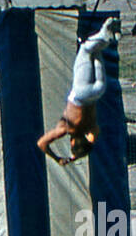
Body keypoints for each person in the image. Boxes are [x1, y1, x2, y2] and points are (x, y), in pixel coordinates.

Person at [36, 17, 119, 167]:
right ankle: (104, 35)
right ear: (73, 141)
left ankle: (108, 37)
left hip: (98, 91)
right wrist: (57, 158)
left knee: (95, 52)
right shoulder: (65, 128)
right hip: (81, 94)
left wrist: (77, 156)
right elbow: (41, 143)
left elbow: (90, 143)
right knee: (85, 50)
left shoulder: (91, 129)